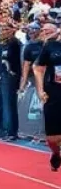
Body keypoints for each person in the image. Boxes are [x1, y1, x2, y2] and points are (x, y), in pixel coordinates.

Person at [33, 22, 61, 172]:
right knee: (53, 138)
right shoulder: (51, 46)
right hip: (54, 94)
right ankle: (56, 152)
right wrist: (40, 90)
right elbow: (37, 68)